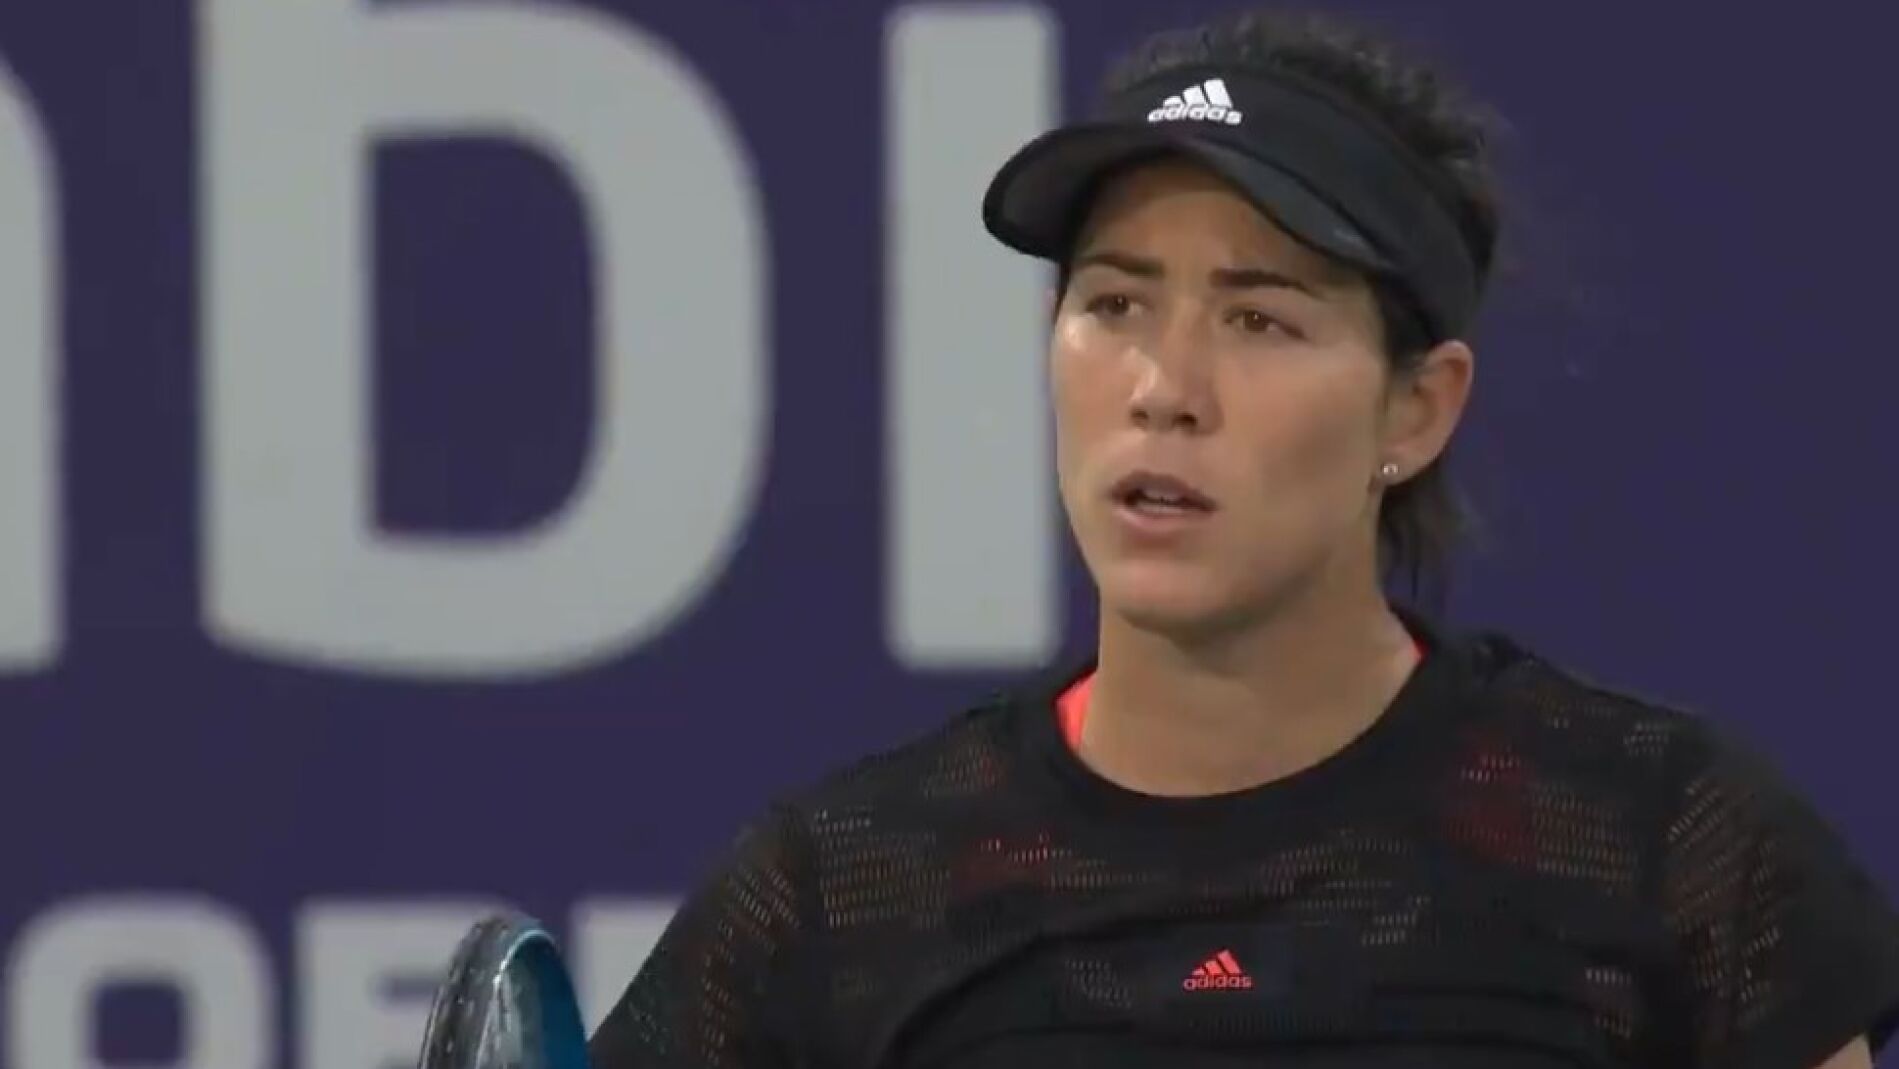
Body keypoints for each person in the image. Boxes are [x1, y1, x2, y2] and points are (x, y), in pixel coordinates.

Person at [586, 7, 1899, 1066]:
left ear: (1419, 407)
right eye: (1114, 305)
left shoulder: (1665, 843)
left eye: (1260, 318)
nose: (1165, 387)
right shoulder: (839, 892)